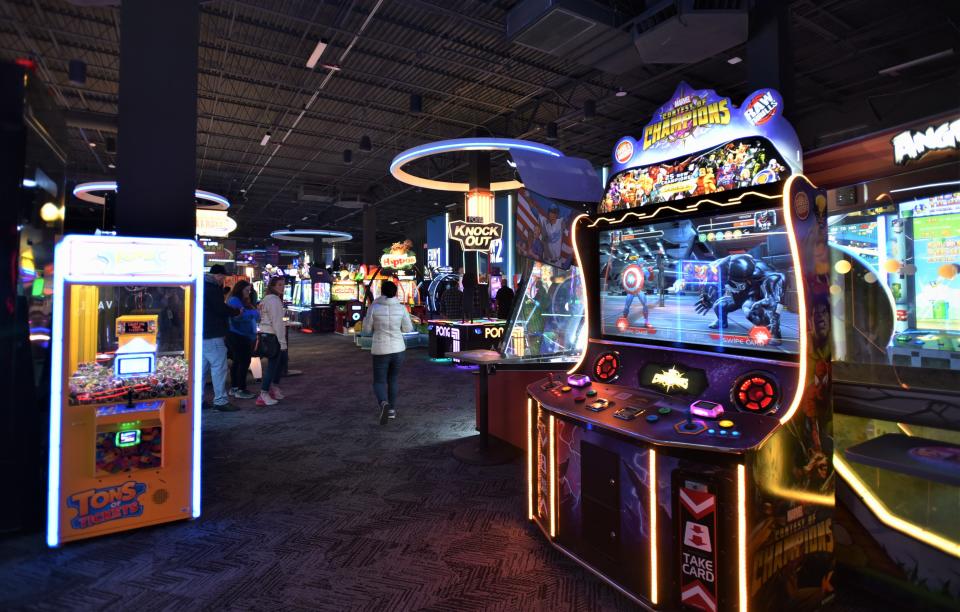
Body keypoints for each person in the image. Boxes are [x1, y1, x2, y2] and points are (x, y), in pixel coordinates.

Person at [363, 280, 414, 424]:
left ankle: (383, 403)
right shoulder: (401, 308)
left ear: (381, 291)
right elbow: (408, 329)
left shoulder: (374, 307)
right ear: (395, 292)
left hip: (380, 349)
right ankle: (391, 410)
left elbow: (366, 330)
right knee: (393, 379)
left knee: (379, 381)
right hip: (398, 349)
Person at [203, 264, 240, 411]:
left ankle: (198, 400)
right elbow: (220, 309)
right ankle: (221, 401)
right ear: (217, 276)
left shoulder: (201, 286)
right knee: (219, 368)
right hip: (213, 333)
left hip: (201, 334)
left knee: (202, 369)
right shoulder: (212, 289)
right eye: (223, 277)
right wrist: (236, 312)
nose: (223, 280)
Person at [225, 280, 259, 400]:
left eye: (249, 290)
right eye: (246, 290)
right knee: (243, 362)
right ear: (240, 289)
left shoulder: (240, 300)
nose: (249, 292)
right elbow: (240, 317)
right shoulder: (234, 300)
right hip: (238, 334)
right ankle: (241, 389)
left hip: (241, 334)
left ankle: (235, 387)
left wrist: (252, 313)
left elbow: (246, 314)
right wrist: (254, 313)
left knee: (238, 362)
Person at [257, 276, 287, 406]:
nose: (282, 287)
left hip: (266, 334)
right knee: (273, 366)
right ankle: (263, 394)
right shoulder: (274, 300)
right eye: (279, 285)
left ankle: (273, 389)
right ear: (273, 286)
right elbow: (277, 323)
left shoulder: (266, 299)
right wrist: (282, 342)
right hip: (272, 335)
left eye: (283, 284)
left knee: (277, 364)